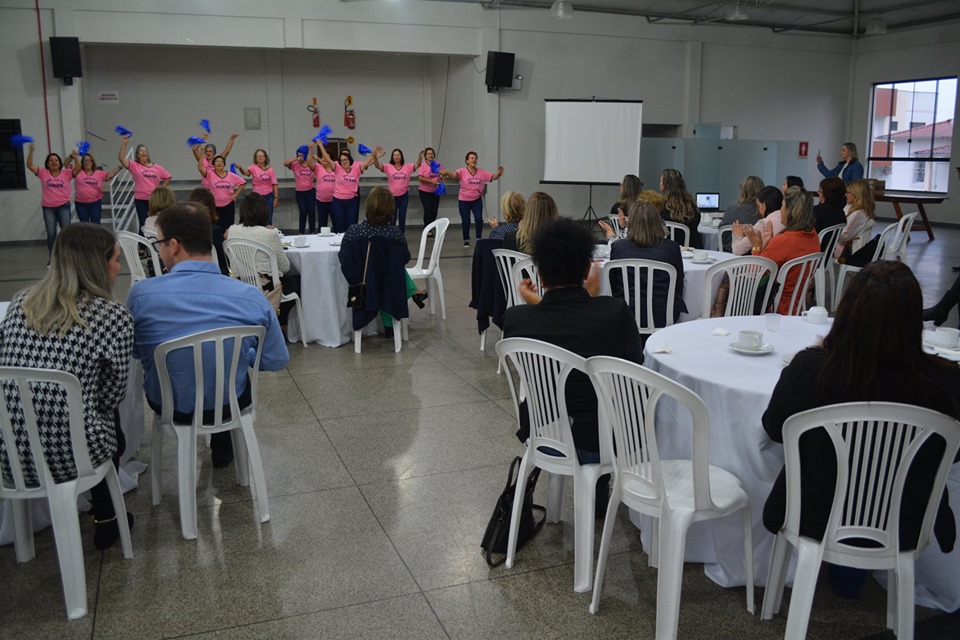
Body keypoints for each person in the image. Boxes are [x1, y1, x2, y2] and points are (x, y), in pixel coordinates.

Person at [762, 261, 960, 598]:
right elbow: (952, 455)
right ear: (914, 318)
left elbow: (775, 429)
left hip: (813, 511)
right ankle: (850, 577)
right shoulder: (946, 381)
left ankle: (839, 571)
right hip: (905, 517)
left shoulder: (810, 370)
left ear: (846, 313)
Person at [0, 223, 134, 550]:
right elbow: (110, 397)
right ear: (98, 265)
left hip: (10, 454)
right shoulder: (113, 316)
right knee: (108, 423)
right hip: (71, 457)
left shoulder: (20, 305)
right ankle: (107, 517)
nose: (119, 267)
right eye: (116, 259)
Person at [127, 202, 289, 469]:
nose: (160, 252)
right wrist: (240, 352)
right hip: (230, 403)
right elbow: (275, 360)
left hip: (169, 406)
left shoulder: (142, 295)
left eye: (160, 245)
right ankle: (223, 450)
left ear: (174, 246)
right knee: (225, 372)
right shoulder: (250, 296)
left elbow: (135, 352)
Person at [502, 217, 643, 488]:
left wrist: (535, 303)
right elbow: (633, 370)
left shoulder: (517, 319)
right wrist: (593, 300)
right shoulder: (614, 312)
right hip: (608, 438)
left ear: (540, 275)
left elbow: (558, 321)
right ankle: (602, 488)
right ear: (588, 267)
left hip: (544, 432)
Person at [338, 187, 429, 338]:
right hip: (390, 288)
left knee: (378, 275)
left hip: (363, 286)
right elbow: (404, 258)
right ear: (391, 209)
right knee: (388, 276)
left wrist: (358, 276)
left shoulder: (354, 231)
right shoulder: (395, 233)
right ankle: (391, 323)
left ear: (368, 206)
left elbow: (344, 259)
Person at [607, 201, 687, 332]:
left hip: (625, 312)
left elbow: (613, 285)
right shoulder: (672, 248)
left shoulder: (619, 248)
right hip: (663, 314)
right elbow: (678, 285)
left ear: (630, 222)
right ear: (658, 222)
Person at [225, 193, 300, 327]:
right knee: (298, 280)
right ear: (263, 211)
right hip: (265, 286)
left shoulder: (232, 230)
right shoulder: (269, 234)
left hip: (240, 283)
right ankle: (281, 325)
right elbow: (285, 267)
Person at [744, 186, 821, 315]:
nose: (780, 211)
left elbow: (757, 273)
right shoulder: (813, 236)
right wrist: (769, 243)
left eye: (782, 206)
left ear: (790, 210)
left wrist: (757, 246)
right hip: (797, 304)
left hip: (773, 305)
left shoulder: (784, 241)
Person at [440, 151, 504, 248]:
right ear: (467, 161)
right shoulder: (462, 171)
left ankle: (479, 238)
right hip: (463, 200)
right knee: (466, 221)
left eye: (475, 158)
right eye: (471, 158)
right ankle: (466, 240)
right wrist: (446, 172)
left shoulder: (482, 172)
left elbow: (492, 177)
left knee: (479, 219)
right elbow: (454, 175)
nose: (474, 160)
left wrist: (499, 173)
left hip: (476, 200)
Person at [317, 143, 381, 233]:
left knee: (351, 226)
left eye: (346, 159)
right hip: (338, 202)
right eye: (342, 160)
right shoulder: (337, 169)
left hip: (351, 202)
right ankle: (339, 245)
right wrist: (320, 145)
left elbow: (368, 161)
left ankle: (350, 245)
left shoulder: (356, 169)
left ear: (349, 160)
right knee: (339, 225)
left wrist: (374, 152)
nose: (344, 162)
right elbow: (327, 158)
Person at [26, 143, 76, 256]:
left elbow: (77, 170)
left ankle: (67, 256)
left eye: (56, 160)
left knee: (66, 232)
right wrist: (31, 151)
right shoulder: (43, 173)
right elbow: (29, 165)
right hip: (48, 208)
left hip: (63, 206)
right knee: (51, 233)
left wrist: (75, 158)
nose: (54, 162)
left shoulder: (66, 173)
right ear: (47, 164)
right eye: (51, 160)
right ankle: (53, 257)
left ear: (59, 163)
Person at [119, 135, 171, 229]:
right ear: (137, 155)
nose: (144, 152)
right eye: (141, 151)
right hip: (141, 200)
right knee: (144, 224)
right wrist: (124, 144)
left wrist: (162, 188)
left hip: (154, 200)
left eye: (145, 150)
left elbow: (168, 176)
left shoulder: (157, 167)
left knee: (155, 223)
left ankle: (154, 243)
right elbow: (121, 159)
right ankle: (142, 243)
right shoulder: (134, 165)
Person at [372, 148, 424, 234]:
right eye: (395, 155)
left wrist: (420, 157)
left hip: (404, 195)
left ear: (401, 156)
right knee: (392, 217)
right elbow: (377, 165)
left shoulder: (407, 167)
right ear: (392, 157)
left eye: (398, 155)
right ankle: (392, 235)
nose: (396, 157)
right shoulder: (388, 167)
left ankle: (401, 236)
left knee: (402, 216)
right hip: (392, 196)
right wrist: (375, 157)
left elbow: (418, 164)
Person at [187, 187, 230, 276]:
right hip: (214, 275)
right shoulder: (215, 231)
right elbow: (224, 261)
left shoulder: (183, 229)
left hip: (190, 274)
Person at [730, 185, 784, 256]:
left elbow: (737, 250)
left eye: (758, 206)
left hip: (764, 263)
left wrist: (738, 235)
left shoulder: (764, 223)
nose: (758, 210)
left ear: (764, 205)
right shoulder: (787, 220)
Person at [197, 154, 246, 229]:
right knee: (216, 227)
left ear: (224, 164)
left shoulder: (230, 175)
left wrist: (236, 194)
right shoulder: (210, 174)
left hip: (228, 205)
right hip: (215, 206)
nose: (219, 163)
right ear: (213, 165)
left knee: (228, 228)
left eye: (221, 162)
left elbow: (243, 183)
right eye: (217, 161)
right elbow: (200, 167)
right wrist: (201, 155)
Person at [72, 151, 121, 225]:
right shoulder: (78, 171)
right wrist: (73, 157)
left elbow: (110, 175)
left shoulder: (98, 173)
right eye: (85, 160)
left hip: (95, 203)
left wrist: (120, 167)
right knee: (84, 225)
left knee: (96, 224)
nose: (87, 162)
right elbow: (66, 165)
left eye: (88, 160)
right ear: (82, 162)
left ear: (92, 162)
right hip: (81, 204)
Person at [659, 168, 702, 249]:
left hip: (669, 248)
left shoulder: (661, 207)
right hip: (693, 248)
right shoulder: (692, 206)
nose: (660, 184)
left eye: (661, 181)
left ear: (665, 185)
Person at [718, 176, 765, 251]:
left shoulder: (732, 208)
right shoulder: (763, 212)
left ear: (743, 189)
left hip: (728, 253)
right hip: (754, 253)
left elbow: (722, 234)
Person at [834, 179, 876, 259]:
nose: (846, 195)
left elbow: (843, 236)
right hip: (844, 244)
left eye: (848, 192)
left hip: (847, 251)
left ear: (857, 194)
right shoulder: (851, 206)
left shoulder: (858, 213)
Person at [235, 149, 279, 224]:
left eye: (262, 156)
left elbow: (275, 184)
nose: (260, 158)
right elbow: (246, 173)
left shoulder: (270, 170)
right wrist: (240, 168)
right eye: (258, 156)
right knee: (257, 216)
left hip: (269, 196)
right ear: (255, 158)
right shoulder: (253, 168)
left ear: (265, 158)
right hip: (257, 197)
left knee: (268, 216)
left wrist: (276, 197)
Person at [283, 145, 317, 234]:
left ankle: (312, 231)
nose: (300, 157)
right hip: (300, 191)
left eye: (302, 155)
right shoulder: (295, 165)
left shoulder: (312, 165)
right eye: (298, 155)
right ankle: (301, 231)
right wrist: (296, 159)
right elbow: (285, 163)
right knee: (303, 211)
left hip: (310, 191)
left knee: (311, 211)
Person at [417, 147, 443, 233]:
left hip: (435, 191)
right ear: (425, 156)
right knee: (428, 210)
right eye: (428, 153)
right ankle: (428, 230)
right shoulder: (423, 165)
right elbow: (420, 178)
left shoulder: (438, 164)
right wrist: (431, 182)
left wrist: (442, 182)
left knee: (434, 211)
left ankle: (431, 226)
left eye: (432, 153)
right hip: (424, 191)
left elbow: (443, 175)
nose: (430, 155)